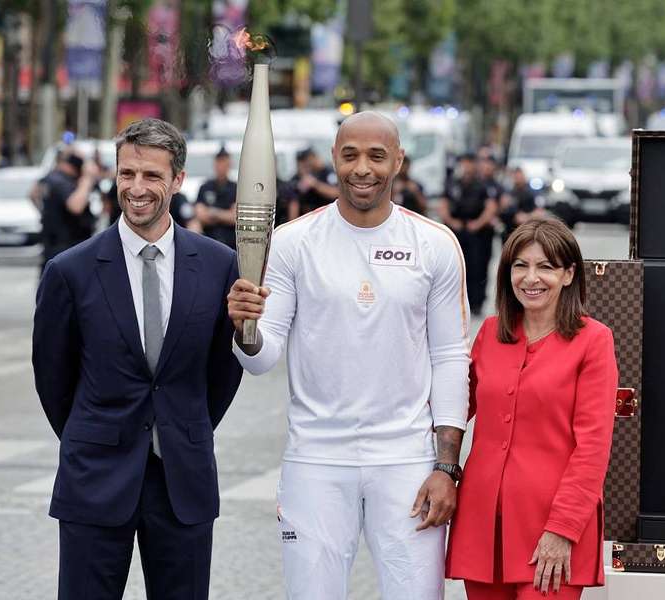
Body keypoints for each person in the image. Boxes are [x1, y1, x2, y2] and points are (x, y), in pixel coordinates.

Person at [227, 111, 470, 599]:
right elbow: (262, 355)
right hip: (316, 458)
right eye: (350, 154)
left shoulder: (435, 245)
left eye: (377, 156)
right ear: (334, 158)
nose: (363, 168)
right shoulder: (294, 243)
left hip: (406, 461)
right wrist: (245, 329)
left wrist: (446, 468)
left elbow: (450, 358)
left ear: (398, 161)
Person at [32, 118, 243, 600]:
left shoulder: (216, 265)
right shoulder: (70, 271)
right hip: (95, 479)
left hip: (182, 481)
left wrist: (184, 424)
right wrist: (95, 434)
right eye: (127, 174)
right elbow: (52, 377)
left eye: (151, 176)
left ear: (178, 180)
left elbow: (222, 369)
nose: (137, 188)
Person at [446, 218, 618, 600]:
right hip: (483, 523)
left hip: (551, 526)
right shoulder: (490, 332)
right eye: (520, 266)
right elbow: (451, 410)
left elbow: (592, 448)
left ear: (569, 274)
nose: (531, 278)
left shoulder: (593, 341)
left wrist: (563, 529)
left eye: (546, 266)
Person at [437, 153, 499, 317]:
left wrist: (477, 224)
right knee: (454, 267)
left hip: (477, 232)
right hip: (456, 229)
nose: (467, 166)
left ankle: (476, 303)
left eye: (470, 163)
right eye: (464, 163)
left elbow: (490, 207)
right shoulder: (452, 183)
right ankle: (454, 302)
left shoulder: (483, 185)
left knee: (477, 268)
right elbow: (442, 205)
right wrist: (451, 221)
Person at [38, 151, 98, 270]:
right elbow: (76, 206)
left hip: (54, 245)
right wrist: (87, 179)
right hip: (66, 247)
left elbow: (33, 194)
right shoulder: (62, 181)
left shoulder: (50, 177)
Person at [195, 146, 237, 247]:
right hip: (208, 240)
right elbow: (200, 215)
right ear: (215, 164)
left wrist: (213, 213)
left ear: (229, 165)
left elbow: (235, 217)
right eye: (219, 163)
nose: (221, 166)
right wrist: (225, 215)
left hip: (230, 243)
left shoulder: (236, 188)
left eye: (224, 163)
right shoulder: (205, 187)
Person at [285, 147, 339, 220]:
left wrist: (315, 184)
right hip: (308, 218)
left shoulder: (328, 171)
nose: (307, 163)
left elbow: (336, 193)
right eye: (302, 162)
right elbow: (293, 200)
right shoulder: (299, 177)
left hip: (329, 215)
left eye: (307, 160)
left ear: (314, 157)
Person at [499, 168, 545, 241]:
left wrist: (527, 217)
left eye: (520, 176)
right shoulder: (508, 193)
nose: (518, 179)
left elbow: (540, 212)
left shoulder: (532, 193)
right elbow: (501, 211)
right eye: (516, 177)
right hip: (509, 232)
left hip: (526, 231)